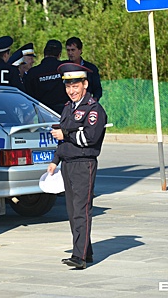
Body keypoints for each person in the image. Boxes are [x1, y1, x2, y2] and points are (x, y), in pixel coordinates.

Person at [47, 62, 107, 269]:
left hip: (84, 164)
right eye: (68, 86)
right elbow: (62, 139)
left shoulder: (93, 109)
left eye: (75, 86)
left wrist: (67, 134)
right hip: (68, 164)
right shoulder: (68, 108)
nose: (71, 91)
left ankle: (79, 257)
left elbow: (90, 138)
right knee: (73, 212)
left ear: (85, 84)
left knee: (82, 210)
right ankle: (85, 251)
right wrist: (55, 160)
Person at [25, 39, 70, 115]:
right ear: (59, 55)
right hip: (65, 112)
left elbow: (29, 96)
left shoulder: (33, 73)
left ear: (44, 53)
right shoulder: (66, 68)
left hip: (43, 113)